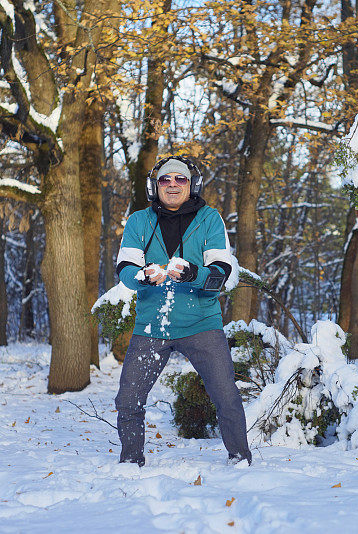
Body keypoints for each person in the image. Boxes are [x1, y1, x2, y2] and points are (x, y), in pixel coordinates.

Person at [113, 155, 252, 467]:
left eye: (180, 179)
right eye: (165, 179)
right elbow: (124, 268)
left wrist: (193, 274)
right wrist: (141, 275)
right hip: (152, 326)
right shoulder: (138, 221)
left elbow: (221, 272)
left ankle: (240, 459)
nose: (172, 185)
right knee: (127, 400)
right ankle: (130, 462)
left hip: (201, 324)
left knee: (226, 396)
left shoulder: (210, 219)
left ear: (192, 185)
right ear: (155, 186)